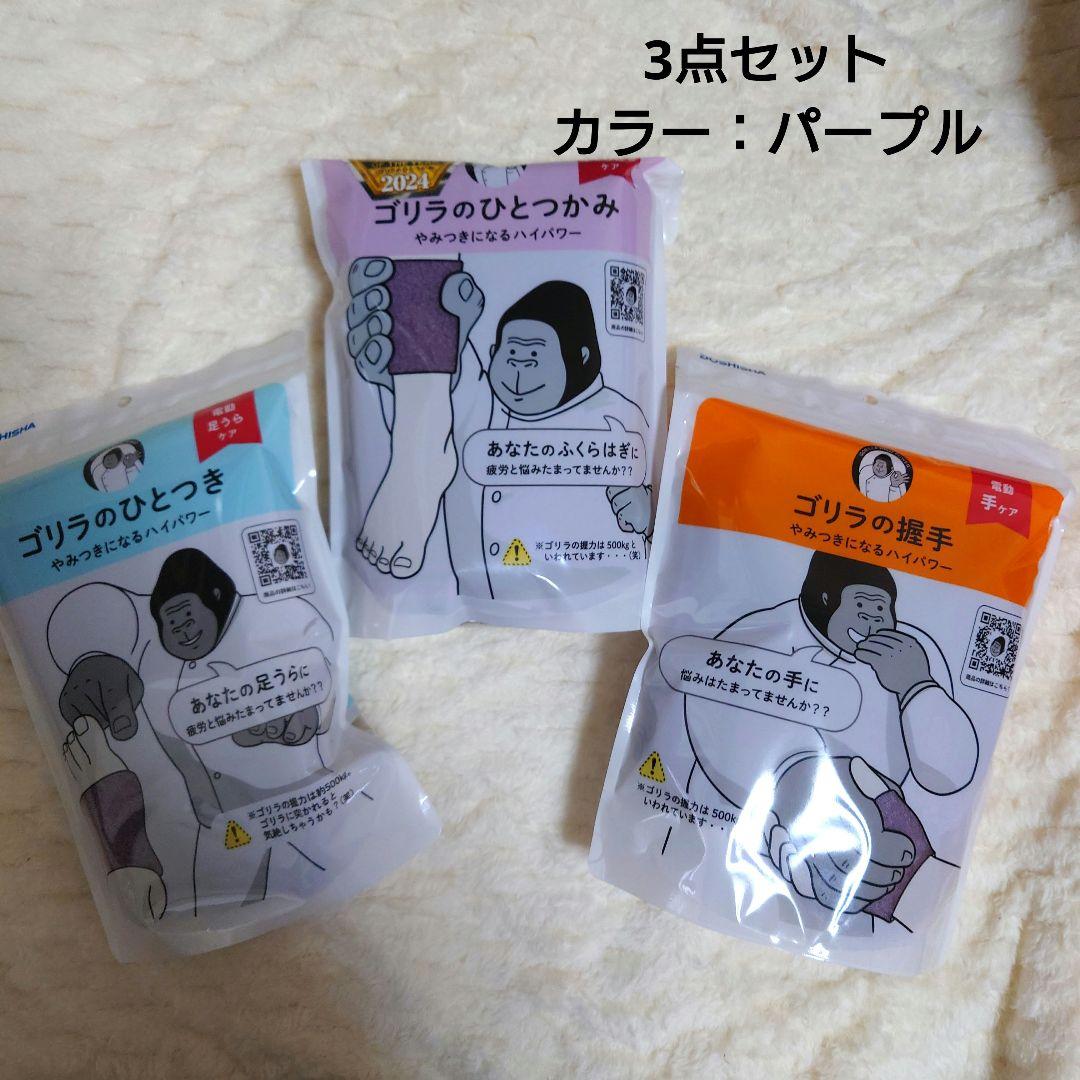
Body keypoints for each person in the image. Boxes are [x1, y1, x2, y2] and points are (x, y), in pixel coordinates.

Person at [681, 551, 979, 925]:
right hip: (730, 848)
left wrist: (917, 685)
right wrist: (795, 785)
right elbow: (711, 716)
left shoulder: (914, 653)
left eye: (882, 608)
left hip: (882, 845)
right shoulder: (761, 633)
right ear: (826, 600)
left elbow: (949, 773)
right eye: (862, 605)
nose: (873, 620)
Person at [49, 547, 339, 923]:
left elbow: (323, 664)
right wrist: (90, 659)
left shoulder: (273, 617)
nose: (183, 632)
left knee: (329, 887)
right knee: (211, 915)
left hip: (297, 803)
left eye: (187, 616)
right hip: (215, 824)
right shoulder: (150, 649)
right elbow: (96, 604)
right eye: (171, 623)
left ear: (216, 598)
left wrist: (310, 705)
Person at [346, 259, 652, 601]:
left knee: (456, 405)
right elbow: (458, 396)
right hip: (481, 586)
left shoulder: (615, 414)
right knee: (448, 397)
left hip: (598, 592)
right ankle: (429, 356)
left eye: (534, 357)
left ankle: (429, 365)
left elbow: (660, 488)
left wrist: (646, 509)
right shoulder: (487, 405)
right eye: (511, 354)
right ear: (493, 353)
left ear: (581, 357)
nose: (519, 373)